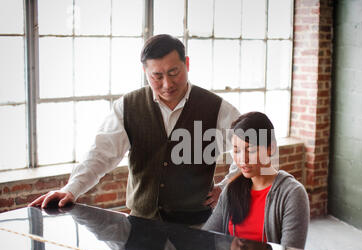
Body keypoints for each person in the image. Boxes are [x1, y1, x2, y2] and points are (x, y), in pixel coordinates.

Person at [30, 34, 240, 226]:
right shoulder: (127, 107)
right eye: (157, 76)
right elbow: (101, 154)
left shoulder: (218, 108)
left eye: (173, 72)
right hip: (140, 226)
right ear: (145, 72)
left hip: (198, 228)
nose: (167, 84)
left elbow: (252, 150)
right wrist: (70, 189)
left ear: (187, 64)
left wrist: (227, 186)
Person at [202, 112, 309, 249]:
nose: (242, 159)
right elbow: (206, 238)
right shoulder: (231, 189)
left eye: (251, 150)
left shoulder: (292, 194)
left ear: (271, 148)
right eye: (236, 150)